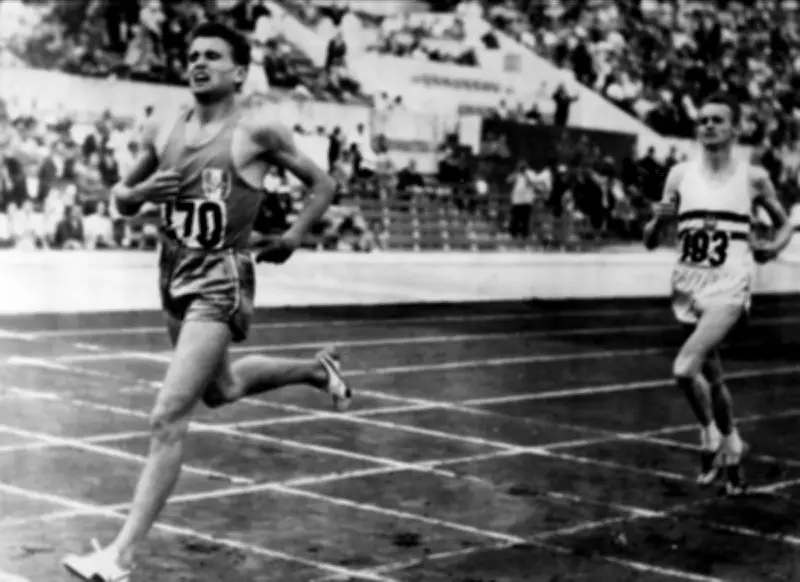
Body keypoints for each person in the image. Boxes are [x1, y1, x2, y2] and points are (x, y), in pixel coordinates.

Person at [62, 22, 351, 582]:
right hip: (173, 271)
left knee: (168, 416)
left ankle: (119, 556)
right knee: (222, 390)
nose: (198, 63)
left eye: (213, 56)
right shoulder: (163, 124)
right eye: (192, 55)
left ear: (239, 71)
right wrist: (139, 195)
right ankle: (318, 371)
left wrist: (292, 236)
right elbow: (120, 198)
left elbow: (324, 185)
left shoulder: (258, 128)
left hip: (221, 278)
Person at [643, 93, 792, 496]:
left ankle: (711, 434)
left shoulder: (753, 177)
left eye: (717, 121)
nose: (707, 125)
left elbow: (785, 224)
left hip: (731, 283)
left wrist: (773, 249)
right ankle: (732, 442)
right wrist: (658, 222)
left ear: (734, 129)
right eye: (703, 120)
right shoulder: (678, 174)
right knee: (715, 377)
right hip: (688, 284)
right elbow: (650, 241)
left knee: (683, 368)